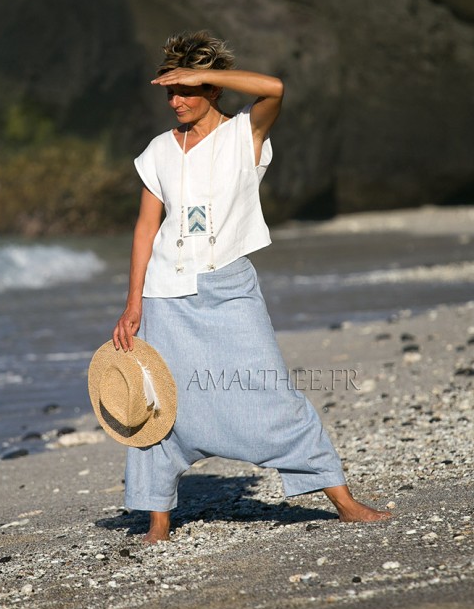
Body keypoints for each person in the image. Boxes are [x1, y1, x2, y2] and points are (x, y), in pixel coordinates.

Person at [113, 30, 391, 543]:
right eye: (170, 92)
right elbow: (145, 228)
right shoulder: (157, 152)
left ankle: (343, 501)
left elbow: (274, 88)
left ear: (212, 90)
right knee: (159, 402)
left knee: (270, 391)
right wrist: (132, 304)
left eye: (186, 90)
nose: (175, 100)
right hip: (165, 295)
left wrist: (205, 73)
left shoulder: (245, 134)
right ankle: (157, 521)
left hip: (230, 286)